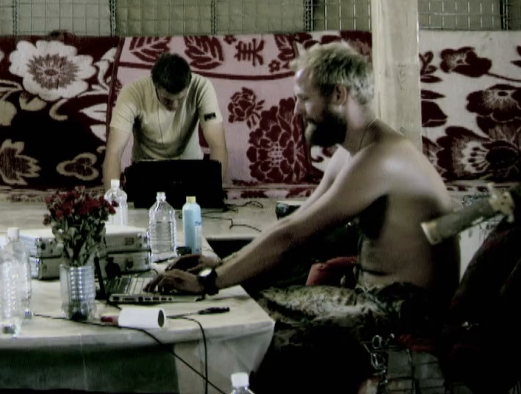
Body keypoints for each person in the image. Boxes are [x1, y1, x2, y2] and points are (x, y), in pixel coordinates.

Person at [145, 42, 461, 394]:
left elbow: (295, 238)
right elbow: (291, 225)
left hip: (405, 315)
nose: (296, 110)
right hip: (371, 299)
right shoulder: (351, 155)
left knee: (251, 331)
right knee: (243, 308)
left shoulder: (382, 157)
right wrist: (222, 264)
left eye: (304, 99)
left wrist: (209, 281)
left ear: (339, 94)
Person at [103, 52, 228, 189]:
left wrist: (214, 191)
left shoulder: (202, 87)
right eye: (167, 100)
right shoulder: (132, 93)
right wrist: (112, 196)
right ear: (155, 85)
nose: (174, 106)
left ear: (189, 84)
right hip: (147, 172)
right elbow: (114, 152)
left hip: (190, 169)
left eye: (181, 99)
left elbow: (218, 146)